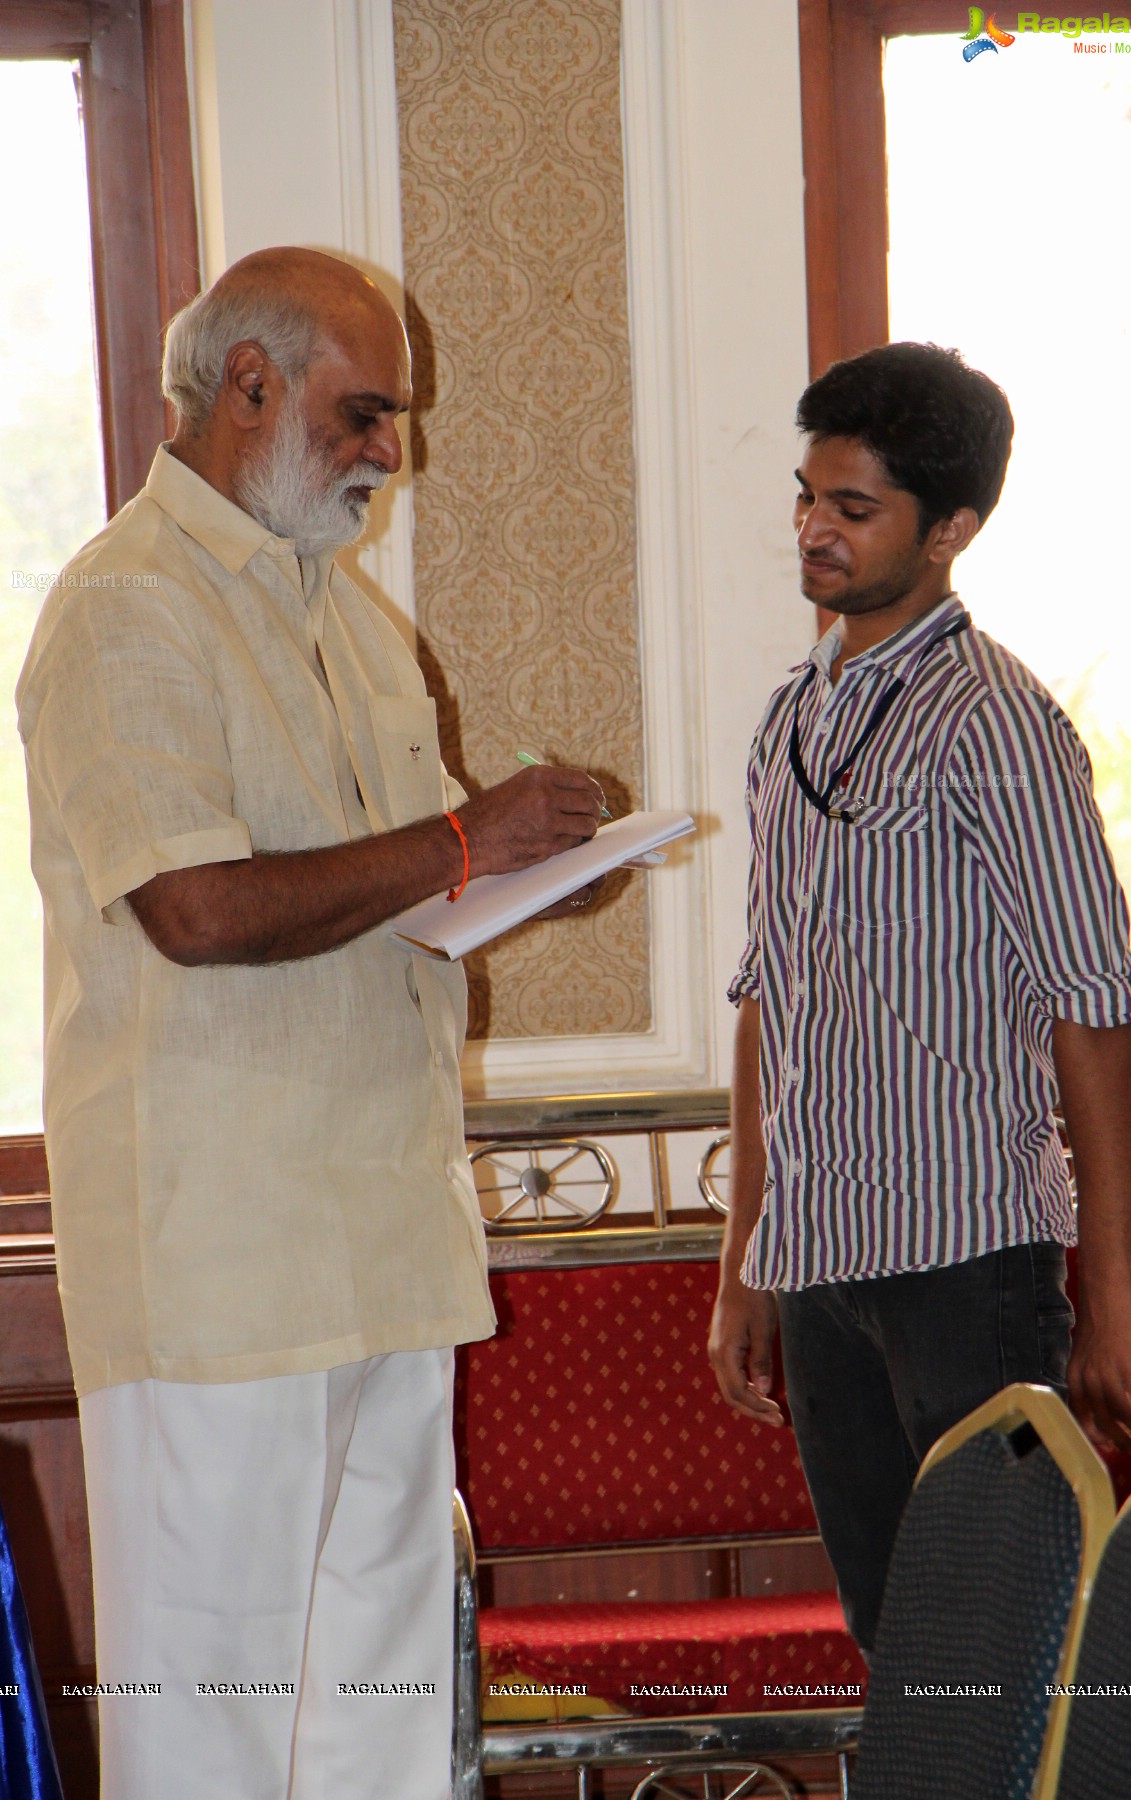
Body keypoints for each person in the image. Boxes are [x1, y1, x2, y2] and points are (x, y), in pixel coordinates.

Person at [16, 246, 606, 1800]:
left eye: (391, 420)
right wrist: (470, 841)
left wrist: (533, 871)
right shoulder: (121, 609)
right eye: (365, 413)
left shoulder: (354, 626)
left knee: (384, 1722)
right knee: (213, 1725)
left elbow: (404, 889)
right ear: (248, 385)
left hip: (387, 1248)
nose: (388, 453)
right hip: (221, 1271)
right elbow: (195, 912)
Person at [707, 341, 1131, 1656]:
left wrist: (1112, 1289)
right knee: (897, 1644)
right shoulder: (794, 714)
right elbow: (765, 997)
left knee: (1003, 1647)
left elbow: (1092, 1001)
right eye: (807, 496)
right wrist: (748, 1255)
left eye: (854, 511)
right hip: (823, 1263)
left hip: (968, 1264)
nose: (814, 530)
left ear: (953, 529)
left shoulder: (996, 721)